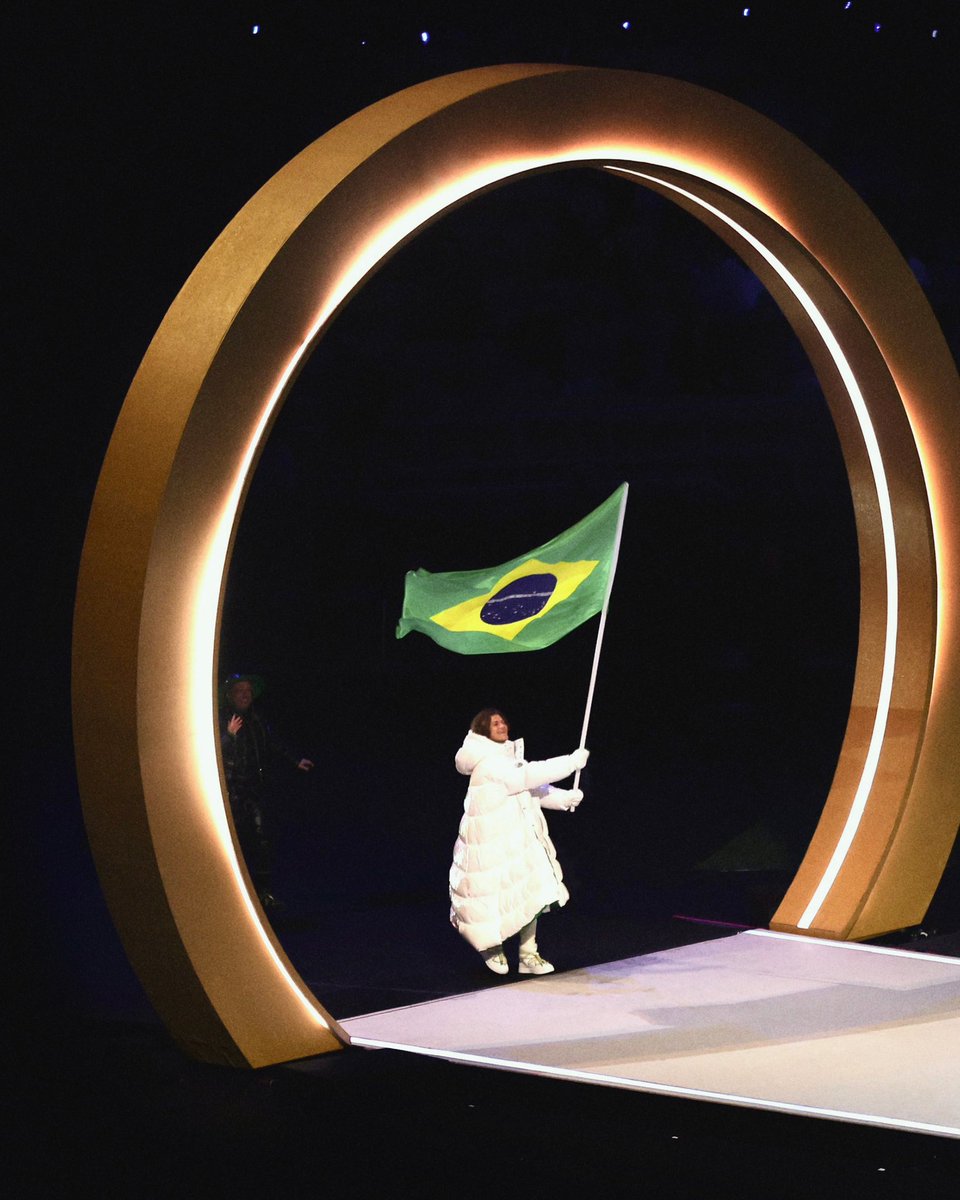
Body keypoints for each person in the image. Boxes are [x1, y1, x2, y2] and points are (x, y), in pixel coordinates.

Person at [449, 708, 588, 976]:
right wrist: (569, 763)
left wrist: (563, 799)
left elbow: (531, 789)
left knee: (530, 893)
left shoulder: (508, 759)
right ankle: (489, 946)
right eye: (494, 723)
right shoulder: (489, 764)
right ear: (482, 731)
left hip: (516, 841)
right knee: (489, 897)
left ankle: (528, 954)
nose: (501, 726)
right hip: (490, 844)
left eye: (502, 721)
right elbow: (526, 777)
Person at [219, 673, 314, 910]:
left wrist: (295, 760)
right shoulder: (221, 719)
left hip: (253, 789)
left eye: (248, 691)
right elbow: (213, 750)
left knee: (261, 840)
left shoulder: (256, 720)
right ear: (230, 695)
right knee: (234, 842)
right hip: (230, 793)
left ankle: (262, 893)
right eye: (240, 691)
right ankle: (232, 895)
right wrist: (228, 735)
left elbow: (272, 743)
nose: (245, 695)